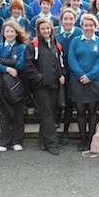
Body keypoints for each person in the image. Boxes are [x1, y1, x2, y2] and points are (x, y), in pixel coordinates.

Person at [25, 18, 66, 155]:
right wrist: (40, 79)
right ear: (38, 30)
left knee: (49, 113)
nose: (46, 31)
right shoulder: (33, 46)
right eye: (43, 29)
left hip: (54, 85)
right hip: (41, 86)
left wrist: (61, 75)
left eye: (48, 28)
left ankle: (43, 141)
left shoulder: (55, 44)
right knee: (48, 113)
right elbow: (29, 67)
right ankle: (52, 144)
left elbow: (60, 63)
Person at [67, 14, 99, 151]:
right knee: (80, 111)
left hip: (93, 81)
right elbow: (71, 60)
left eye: (91, 25)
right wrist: (81, 75)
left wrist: (89, 76)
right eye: (86, 25)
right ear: (82, 26)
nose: (88, 28)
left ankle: (91, 140)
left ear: (95, 26)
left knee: (92, 111)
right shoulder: (76, 41)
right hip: (77, 81)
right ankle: (83, 140)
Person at [0, 20, 27, 153]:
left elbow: (20, 65)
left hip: (16, 85)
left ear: (16, 33)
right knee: (4, 114)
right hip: (1, 84)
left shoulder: (21, 47)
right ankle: (5, 141)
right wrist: (7, 68)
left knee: (17, 114)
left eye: (12, 31)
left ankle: (17, 140)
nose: (10, 33)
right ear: (3, 33)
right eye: (7, 31)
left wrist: (2, 61)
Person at [54, 8, 82, 144]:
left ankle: (65, 132)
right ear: (61, 20)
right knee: (56, 99)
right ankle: (57, 119)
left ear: (75, 20)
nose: (68, 21)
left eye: (71, 19)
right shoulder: (54, 31)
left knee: (70, 103)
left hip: (73, 71)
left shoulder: (79, 33)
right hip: (56, 70)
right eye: (66, 19)